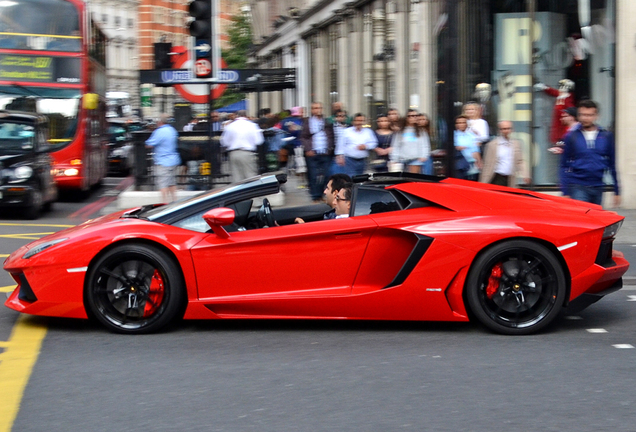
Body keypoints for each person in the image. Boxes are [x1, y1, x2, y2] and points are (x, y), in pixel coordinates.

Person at [560, 100, 620, 207]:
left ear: (596, 116)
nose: (585, 118)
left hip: (598, 186)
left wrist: (617, 190)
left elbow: (612, 163)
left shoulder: (606, 136)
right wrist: (565, 191)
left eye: (589, 115)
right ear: (578, 115)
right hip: (577, 185)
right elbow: (563, 165)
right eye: (583, 115)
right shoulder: (571, 136)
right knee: (583, 217)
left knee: (594, 220)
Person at [479, 120, 530, 187]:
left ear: (512, 130)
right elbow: (487, 164)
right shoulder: (492, 145)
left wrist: (526, 175)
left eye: (508, 128)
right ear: (499, 130)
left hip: (510, 178)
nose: (506, 131)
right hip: (497, 177)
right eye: (503, 129)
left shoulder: (516, 143)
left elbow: (520, 161)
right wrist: (483, 182)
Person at [301, 102, 334, 202]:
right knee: (313, 175)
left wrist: (331, 148)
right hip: (312, 153)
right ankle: (315, 196)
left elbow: (332, 135)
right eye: (315, 108)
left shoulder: (327, 122)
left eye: (319, 108)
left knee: (327, 174)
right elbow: (303, 136)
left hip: (325, 152)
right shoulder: (308, 122)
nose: (317, 110)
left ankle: (321, 194)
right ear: (312, 110)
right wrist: (308, 149)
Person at [145, 113, 181, 203]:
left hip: (163, 161)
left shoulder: (160, 131)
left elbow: (149, 144)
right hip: (174, 160)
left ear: (160, 122)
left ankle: (164, 203)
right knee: (172, 182)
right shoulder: (172, 130)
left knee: (163, 183)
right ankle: (175, 201)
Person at [220, 109, 264, 182]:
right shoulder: (252, 125)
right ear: (246, 115)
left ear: (237, 115)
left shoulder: (230, 126)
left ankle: (238, 192)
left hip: (233, 153)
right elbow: (259, 141)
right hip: (247, 152)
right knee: (250, 176)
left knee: (236, 176)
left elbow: (224, 141)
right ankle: (251, 192)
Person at [535, 79, 576, 146]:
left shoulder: (567, 100)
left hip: (562, 126)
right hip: (557, 124)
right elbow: (553, 92)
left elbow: (571, 111)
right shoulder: (561, 95)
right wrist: (544, 87)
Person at [389, 109, 430, 174]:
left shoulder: (421, 131)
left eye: (416, 116)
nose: (414, 118)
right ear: (407, 117)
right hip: (402, 159)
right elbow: (395, 145)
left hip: (416, 159)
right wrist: (394, 159)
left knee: (413, 179)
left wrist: (424, 156)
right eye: (411, 116)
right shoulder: (400, 131)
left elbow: (425, 145)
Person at [454, 115, 482, 181]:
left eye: (463, 122)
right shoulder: (453, 135)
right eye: (459, 123)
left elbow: (475, 150)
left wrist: (479, 161)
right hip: (460, 166)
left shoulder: (471, 135)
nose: (461, 124)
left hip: (472, 165)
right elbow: (456, 148)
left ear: (467, 124)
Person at [330, 110, 349, 175]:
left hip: (347, 154)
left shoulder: (349, 127)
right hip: (335, 154)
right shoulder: (331, 127)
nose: (341, 118)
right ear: (335, 117)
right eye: (339, 116)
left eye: (343, 116)